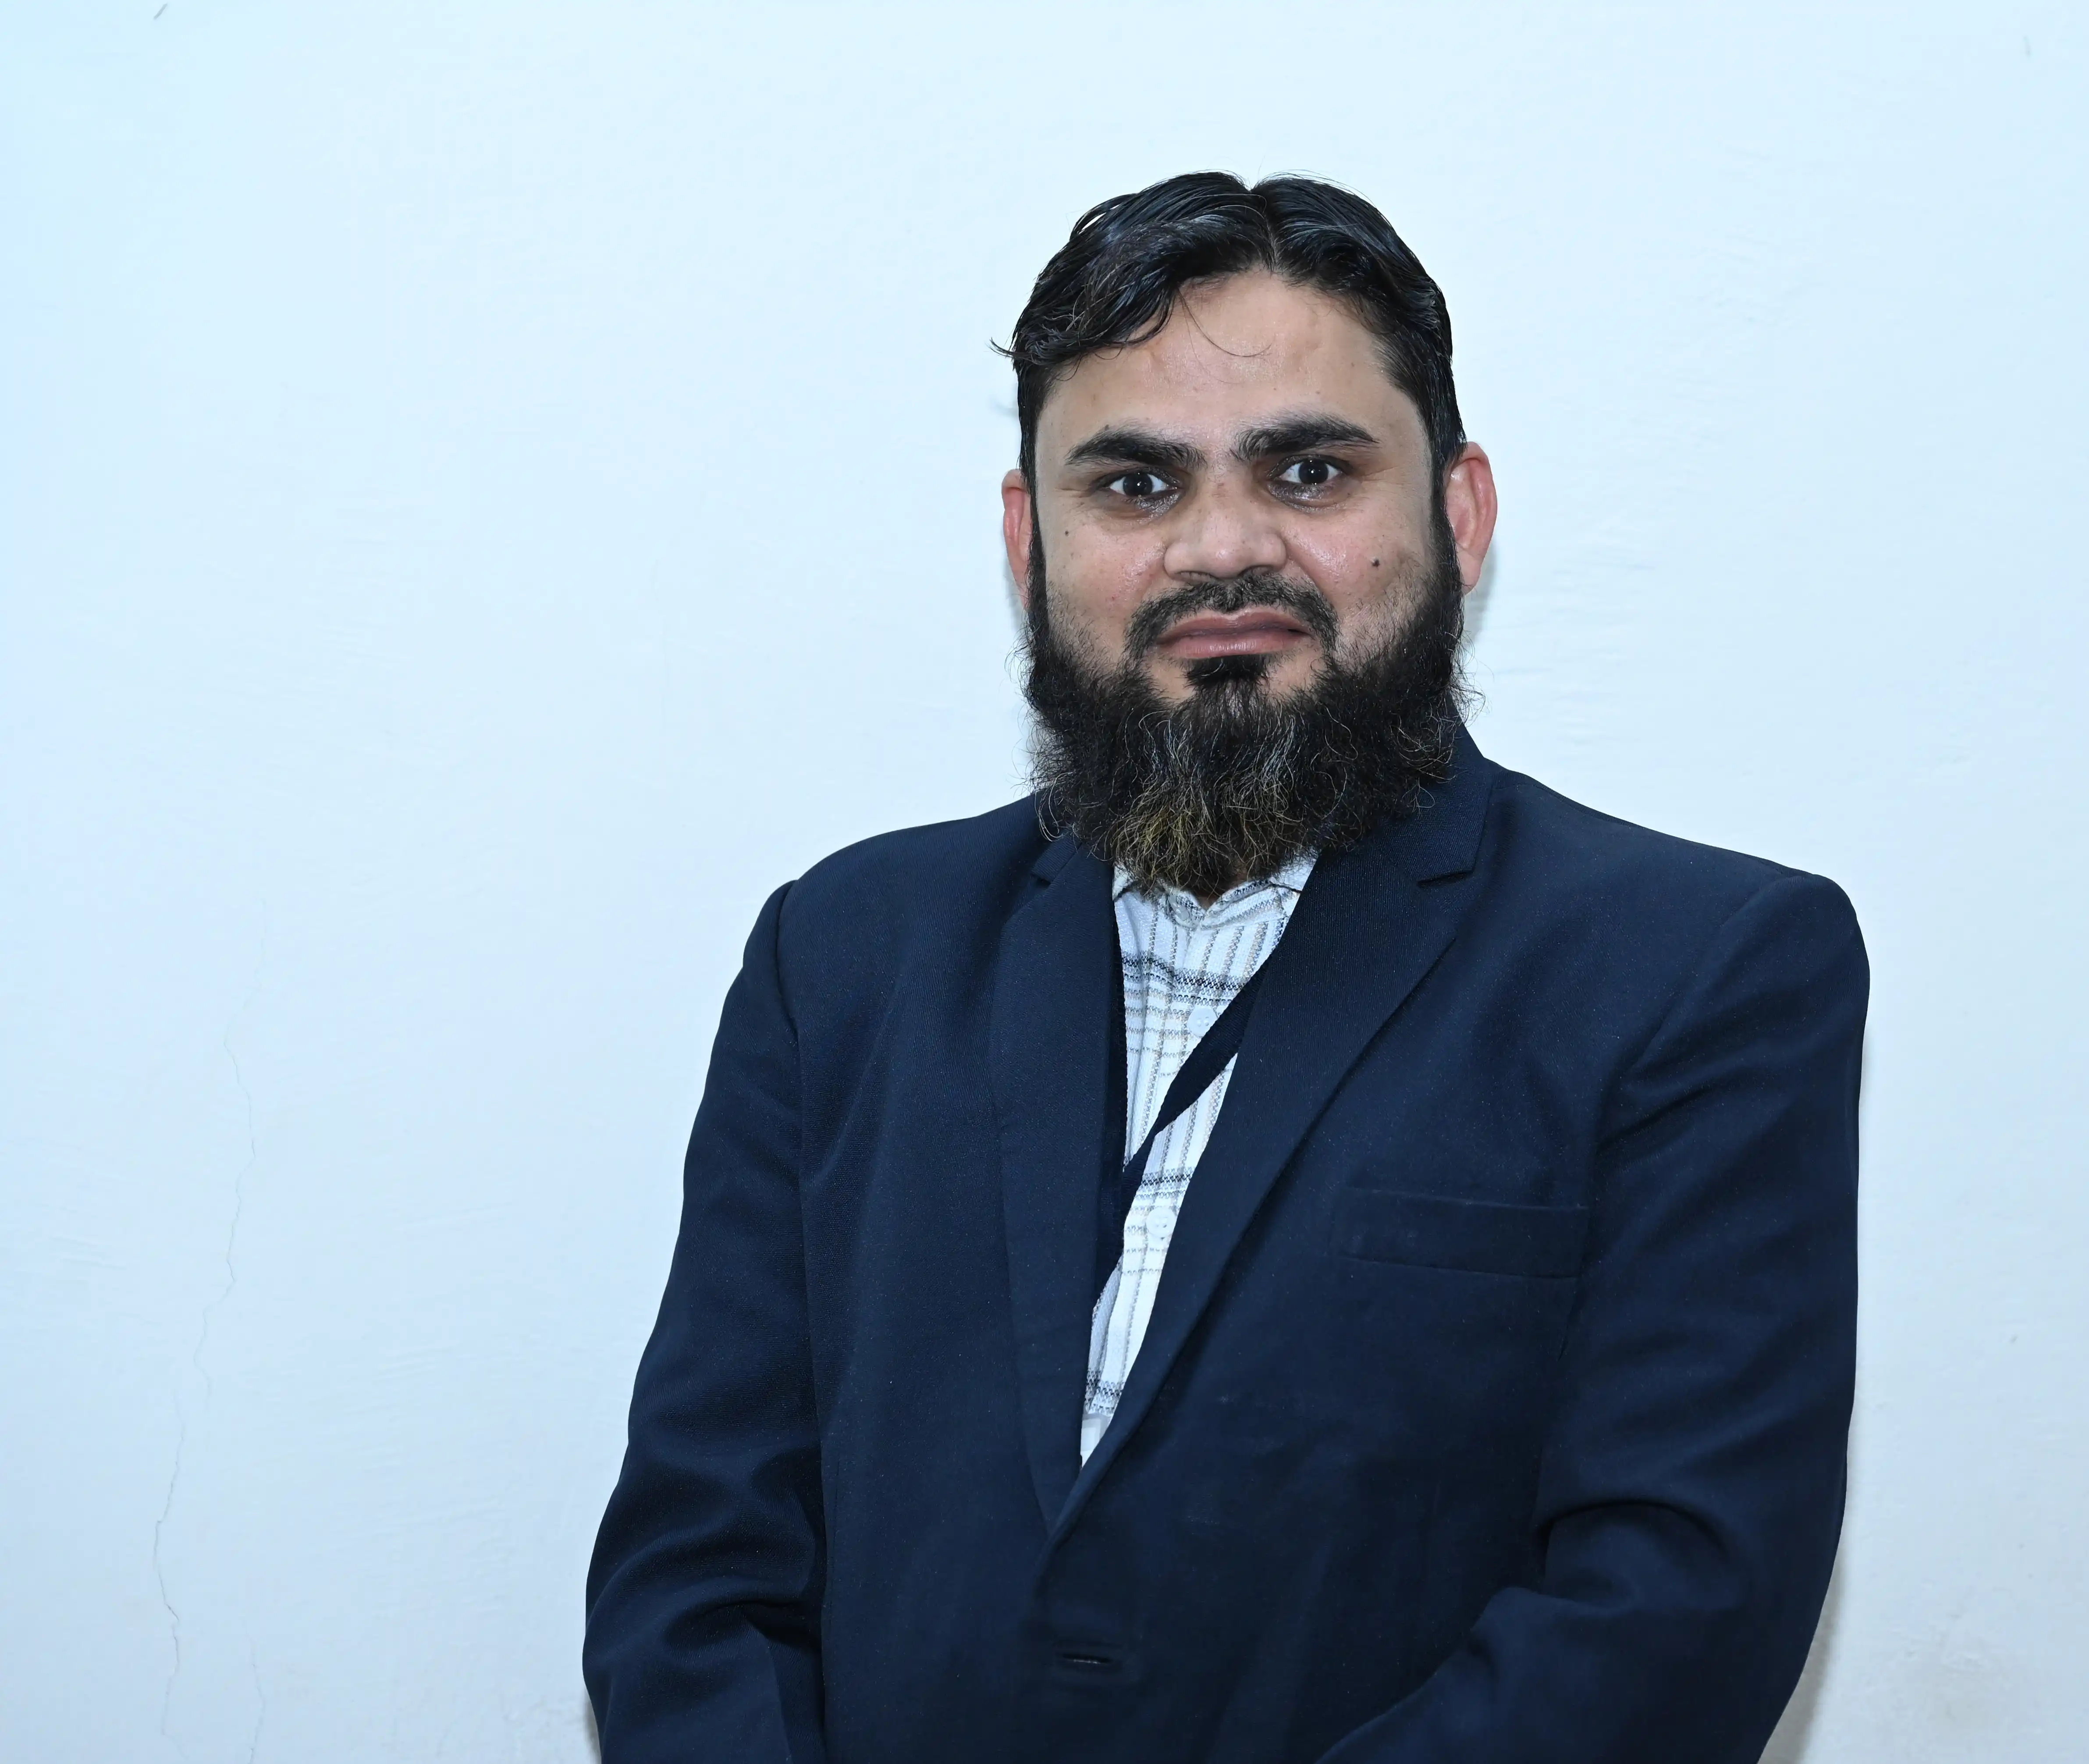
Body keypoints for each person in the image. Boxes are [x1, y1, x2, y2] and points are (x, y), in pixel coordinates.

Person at [584, 171, 1868, 1764]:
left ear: (1459, 514)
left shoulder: (1699, 969)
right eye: (1135, 485)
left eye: (1310, 471)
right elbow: (698, 1568)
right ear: (1029, 540)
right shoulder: (844, 952)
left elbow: (1673, 1613)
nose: (1223, 549)